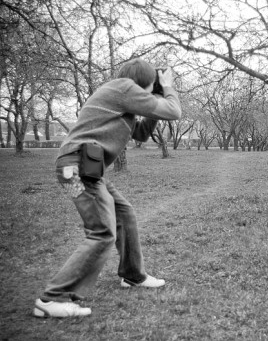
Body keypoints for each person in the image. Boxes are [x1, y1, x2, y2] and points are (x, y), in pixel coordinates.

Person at [33, 58, 182, 318]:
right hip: (78, 170)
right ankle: (51, 299)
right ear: (143, 82)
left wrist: (155, 98)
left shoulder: (120, 97)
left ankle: (133, 276)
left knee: (124, 213)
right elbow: (174, 111)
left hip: (87, 170)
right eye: (153, 84)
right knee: (102, 231)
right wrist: (167, 88)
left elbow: (141, 134)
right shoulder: (124, 89)